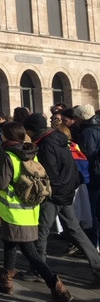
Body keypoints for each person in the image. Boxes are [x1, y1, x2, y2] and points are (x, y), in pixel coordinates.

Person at [0, 122, 72, 302]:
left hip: (13, 212)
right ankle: (5, 281)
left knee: (29, 251)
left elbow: (1, 183)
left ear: (7, 136)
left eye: (2, 133)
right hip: (29, 211)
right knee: (10, 245)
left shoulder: (9, 155)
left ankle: (56, 285)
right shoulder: (30, 153)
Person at [22, 112, 100, 282]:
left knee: (41, 232)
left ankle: (38, 270)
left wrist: (52, 192)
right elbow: (70, 166)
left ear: (32, 129)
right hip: (65, 191)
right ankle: (98, 267)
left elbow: (50, 172)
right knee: (75, 230)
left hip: (54, 193)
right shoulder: (59, 138)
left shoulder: (46, 144)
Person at [74, 104, 100, 251]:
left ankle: (92, 243)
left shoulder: (87, 132)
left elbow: (86, 155)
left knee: (90, 210)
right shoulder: (97, 127)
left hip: (93, 174)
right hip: (97, 172)